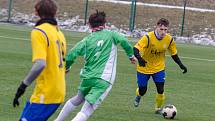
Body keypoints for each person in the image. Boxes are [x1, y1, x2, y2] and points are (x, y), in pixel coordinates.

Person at [54, 10, 136, 121]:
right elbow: (123, 40)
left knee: (78, 99)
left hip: (88, 77)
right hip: (104, 79)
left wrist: (67, 67)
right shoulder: (112, 34)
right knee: (87, 110)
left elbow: (70, 56)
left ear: (89, 25)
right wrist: (131, 56)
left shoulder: (86, 40)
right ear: (105, 24)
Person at [12, 0, 67, 120]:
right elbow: (65, 66)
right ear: (55, 13)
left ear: (36, 12)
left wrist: (23, 86)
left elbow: (40, 64)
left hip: (47, 92)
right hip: (59, 91)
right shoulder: (60, 34)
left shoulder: (39, 31)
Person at [133, 18, 187, 114]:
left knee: (160, 89)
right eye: (161, 29)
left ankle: (158, 108)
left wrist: (181, 65)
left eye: (165, 30)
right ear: (157, 27)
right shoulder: (148, 37)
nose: (163, 32)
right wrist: (140, 60)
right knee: (143, 90)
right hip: (144, 67)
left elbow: (174, 54)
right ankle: (139, 95)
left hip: (159, 68)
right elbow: (136, 49)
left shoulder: (169, 39)